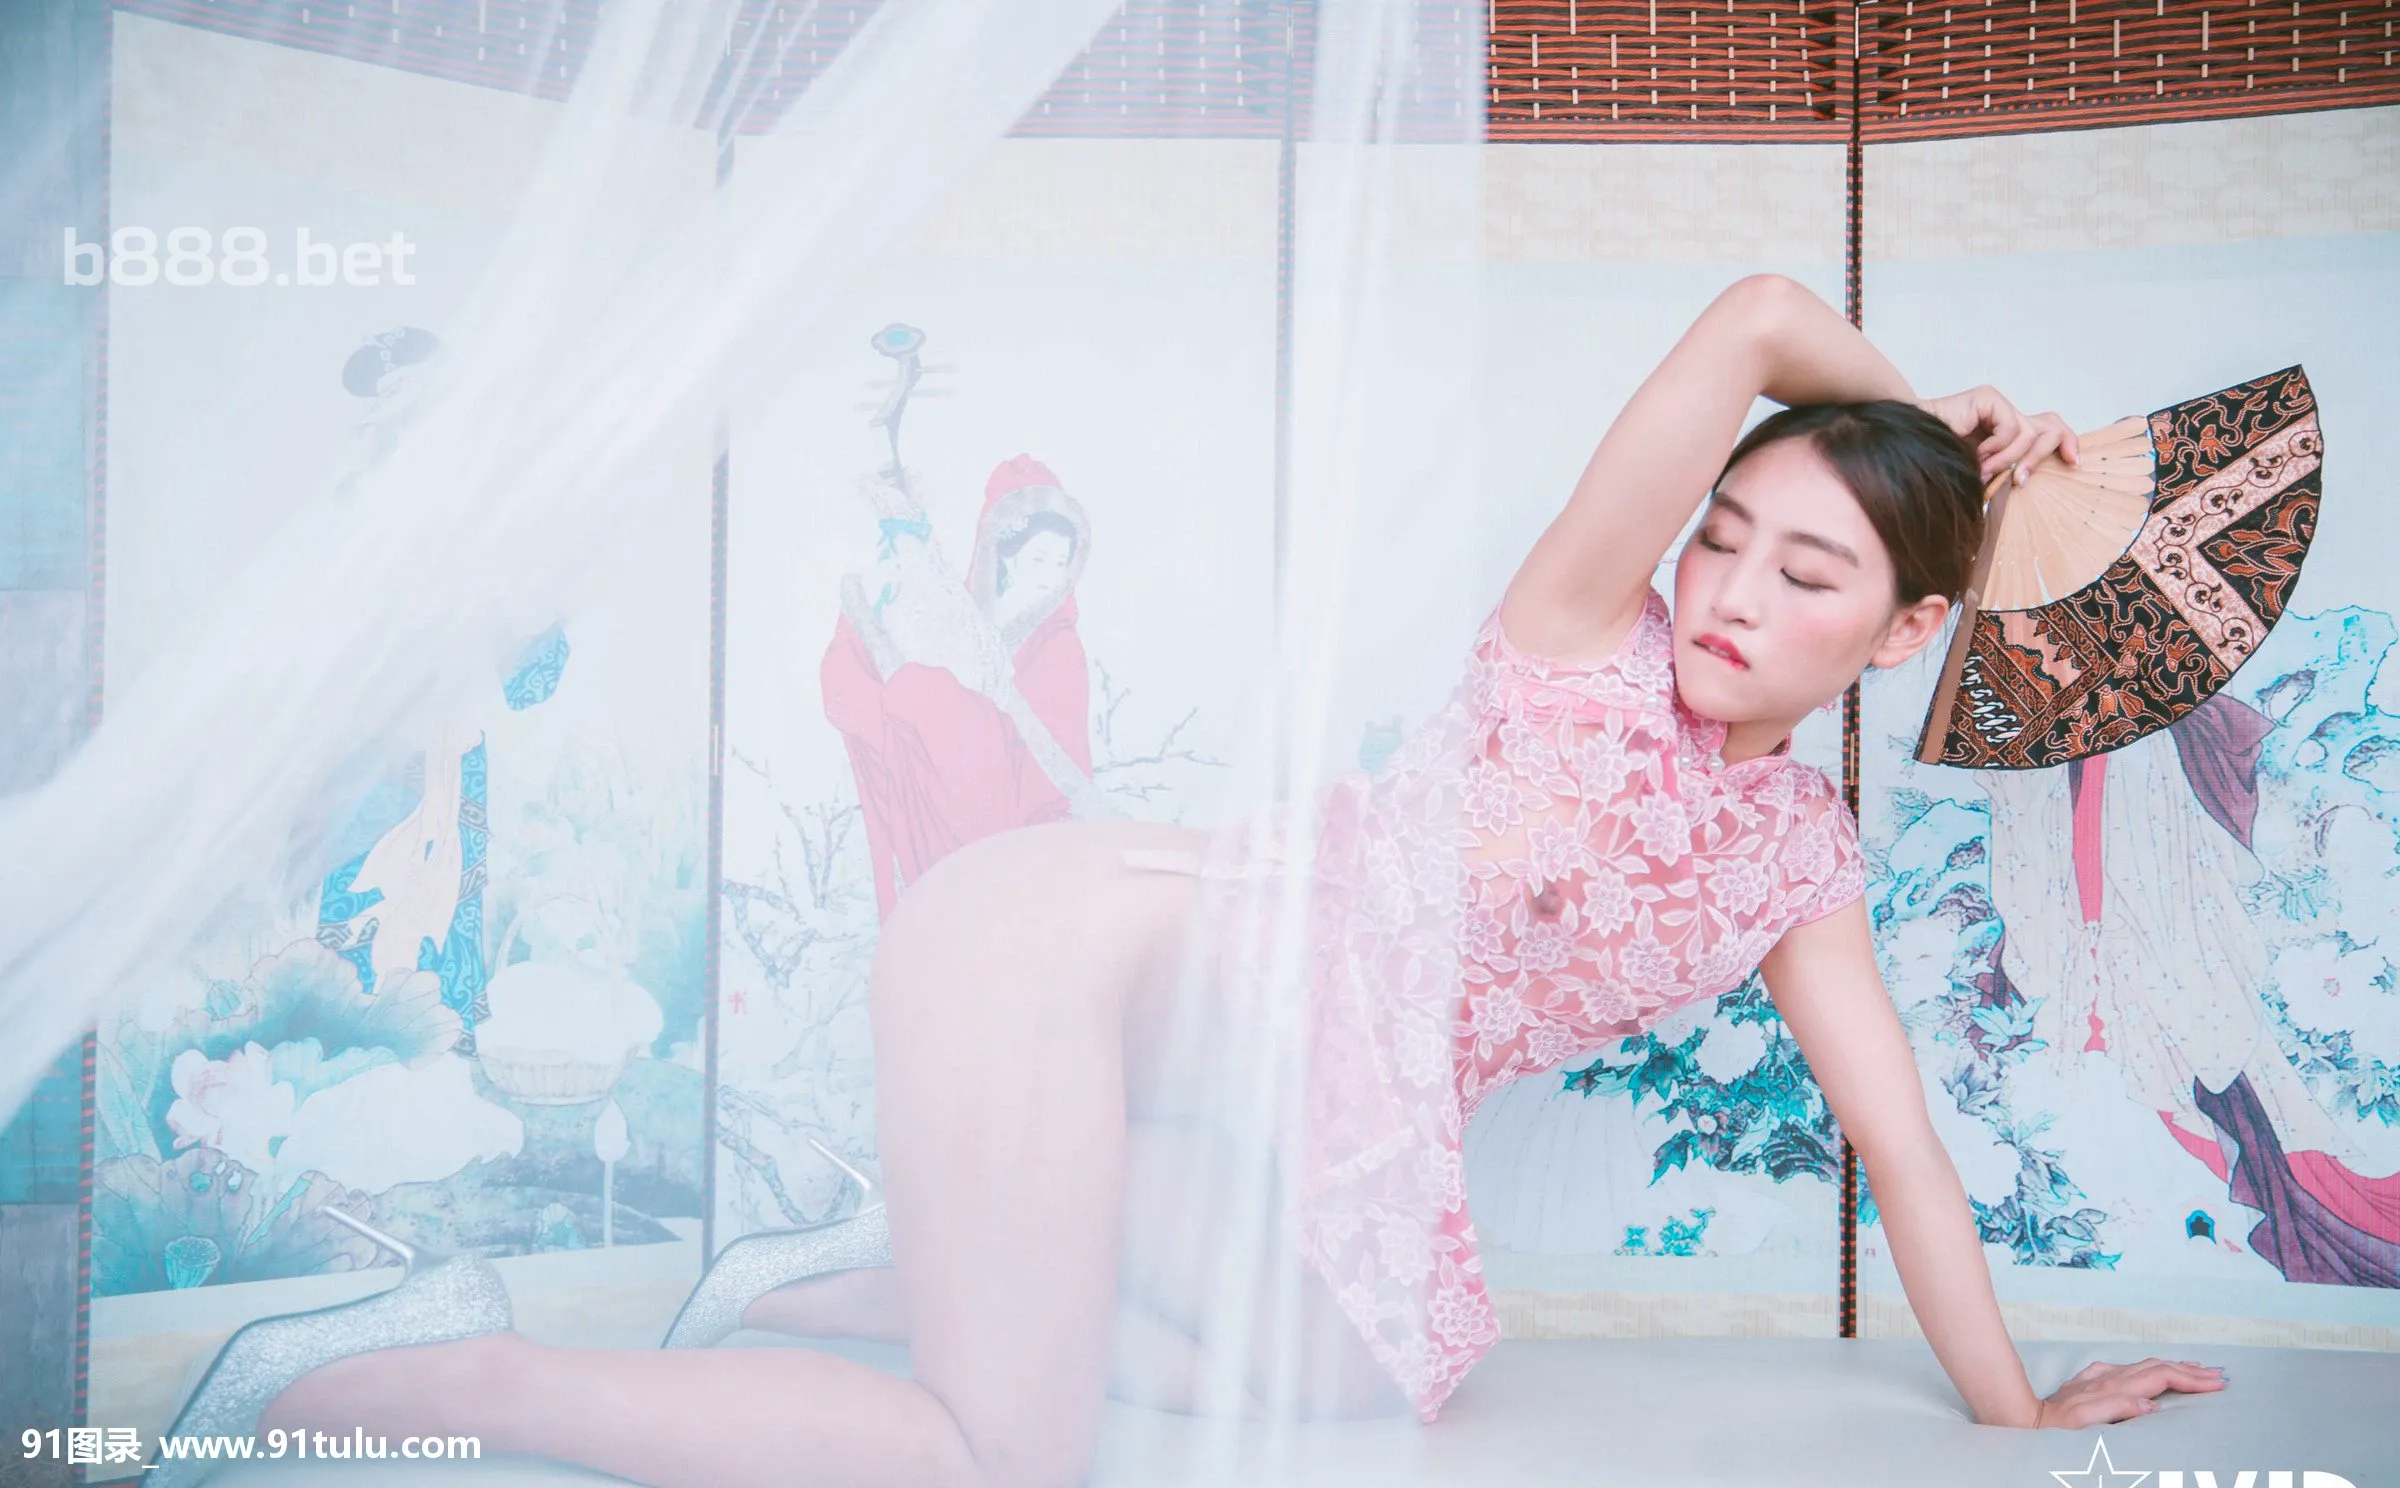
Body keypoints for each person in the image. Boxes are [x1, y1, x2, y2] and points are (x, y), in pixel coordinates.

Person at [156, 275, 2230, 1488]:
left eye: (1810, 573)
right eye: (1727, 534)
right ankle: (405, 1370)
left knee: (1358, 1369)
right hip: (1059, 939)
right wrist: (1929, 423)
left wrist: (2018, 1410)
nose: (1730, 591)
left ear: (1904, 634)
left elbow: (1907, 1151)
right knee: (1002, 1456)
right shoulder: (1579, 629)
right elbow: (1763, 315)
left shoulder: (1791, 856)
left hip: (1229, 1073)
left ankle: (810, 1284)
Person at [823, 455, 1098, 921]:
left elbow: (1057, 762)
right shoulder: (963, 618)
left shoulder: (1058, 646)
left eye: (1060, 562)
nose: (1050, 575)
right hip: (942, 811)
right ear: (1004, 553)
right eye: (1038, 558)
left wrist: (939, 703)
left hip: (1018, 831)